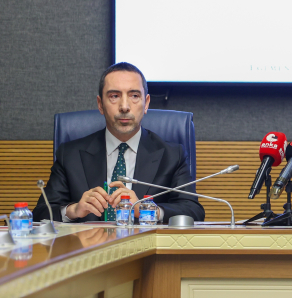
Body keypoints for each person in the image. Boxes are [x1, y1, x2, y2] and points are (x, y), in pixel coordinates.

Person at [33, 62, 204, 223]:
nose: (124, 106)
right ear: (100, 104)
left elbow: (193, 212)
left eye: (134, 96)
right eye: (114, 96)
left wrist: (147, 210)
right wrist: (73, 210)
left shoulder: (171, 155)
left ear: (146, 103)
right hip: (90, 244)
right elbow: (40, 213)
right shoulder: (70, 155)